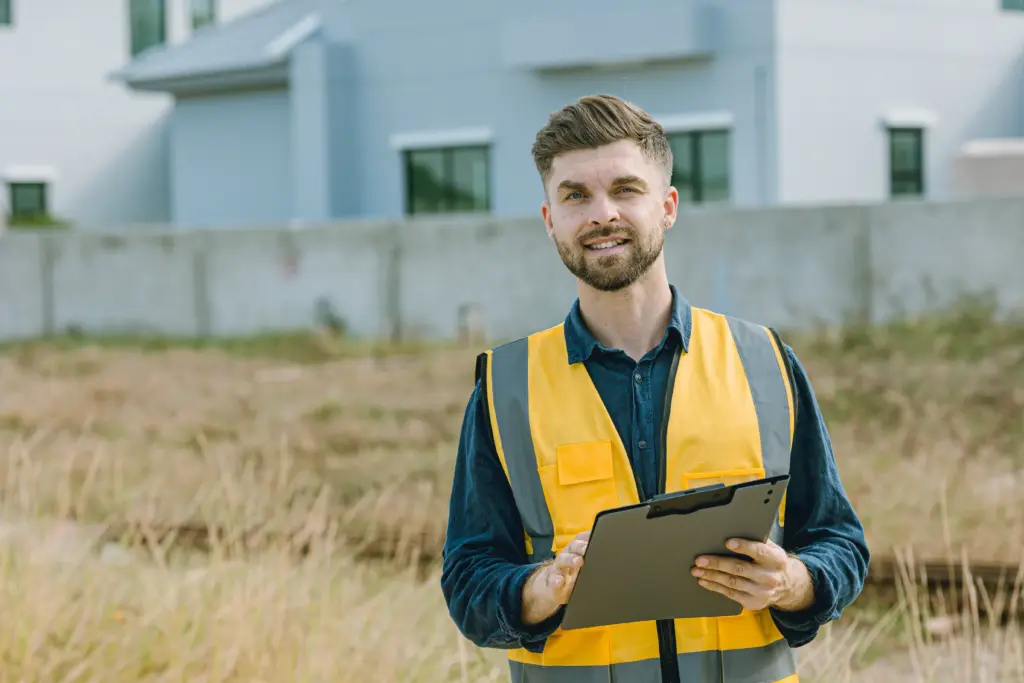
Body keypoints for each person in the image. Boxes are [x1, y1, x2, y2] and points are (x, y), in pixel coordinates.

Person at [440, 94, 870, 683]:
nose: (601, 214)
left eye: (625, 189)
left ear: (667, 206)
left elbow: (838, 541)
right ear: (549, 221)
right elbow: (468, 581)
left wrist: (792, 582)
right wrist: (544, 587)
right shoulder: (506, 388)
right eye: (575, 195)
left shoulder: (764, 363)